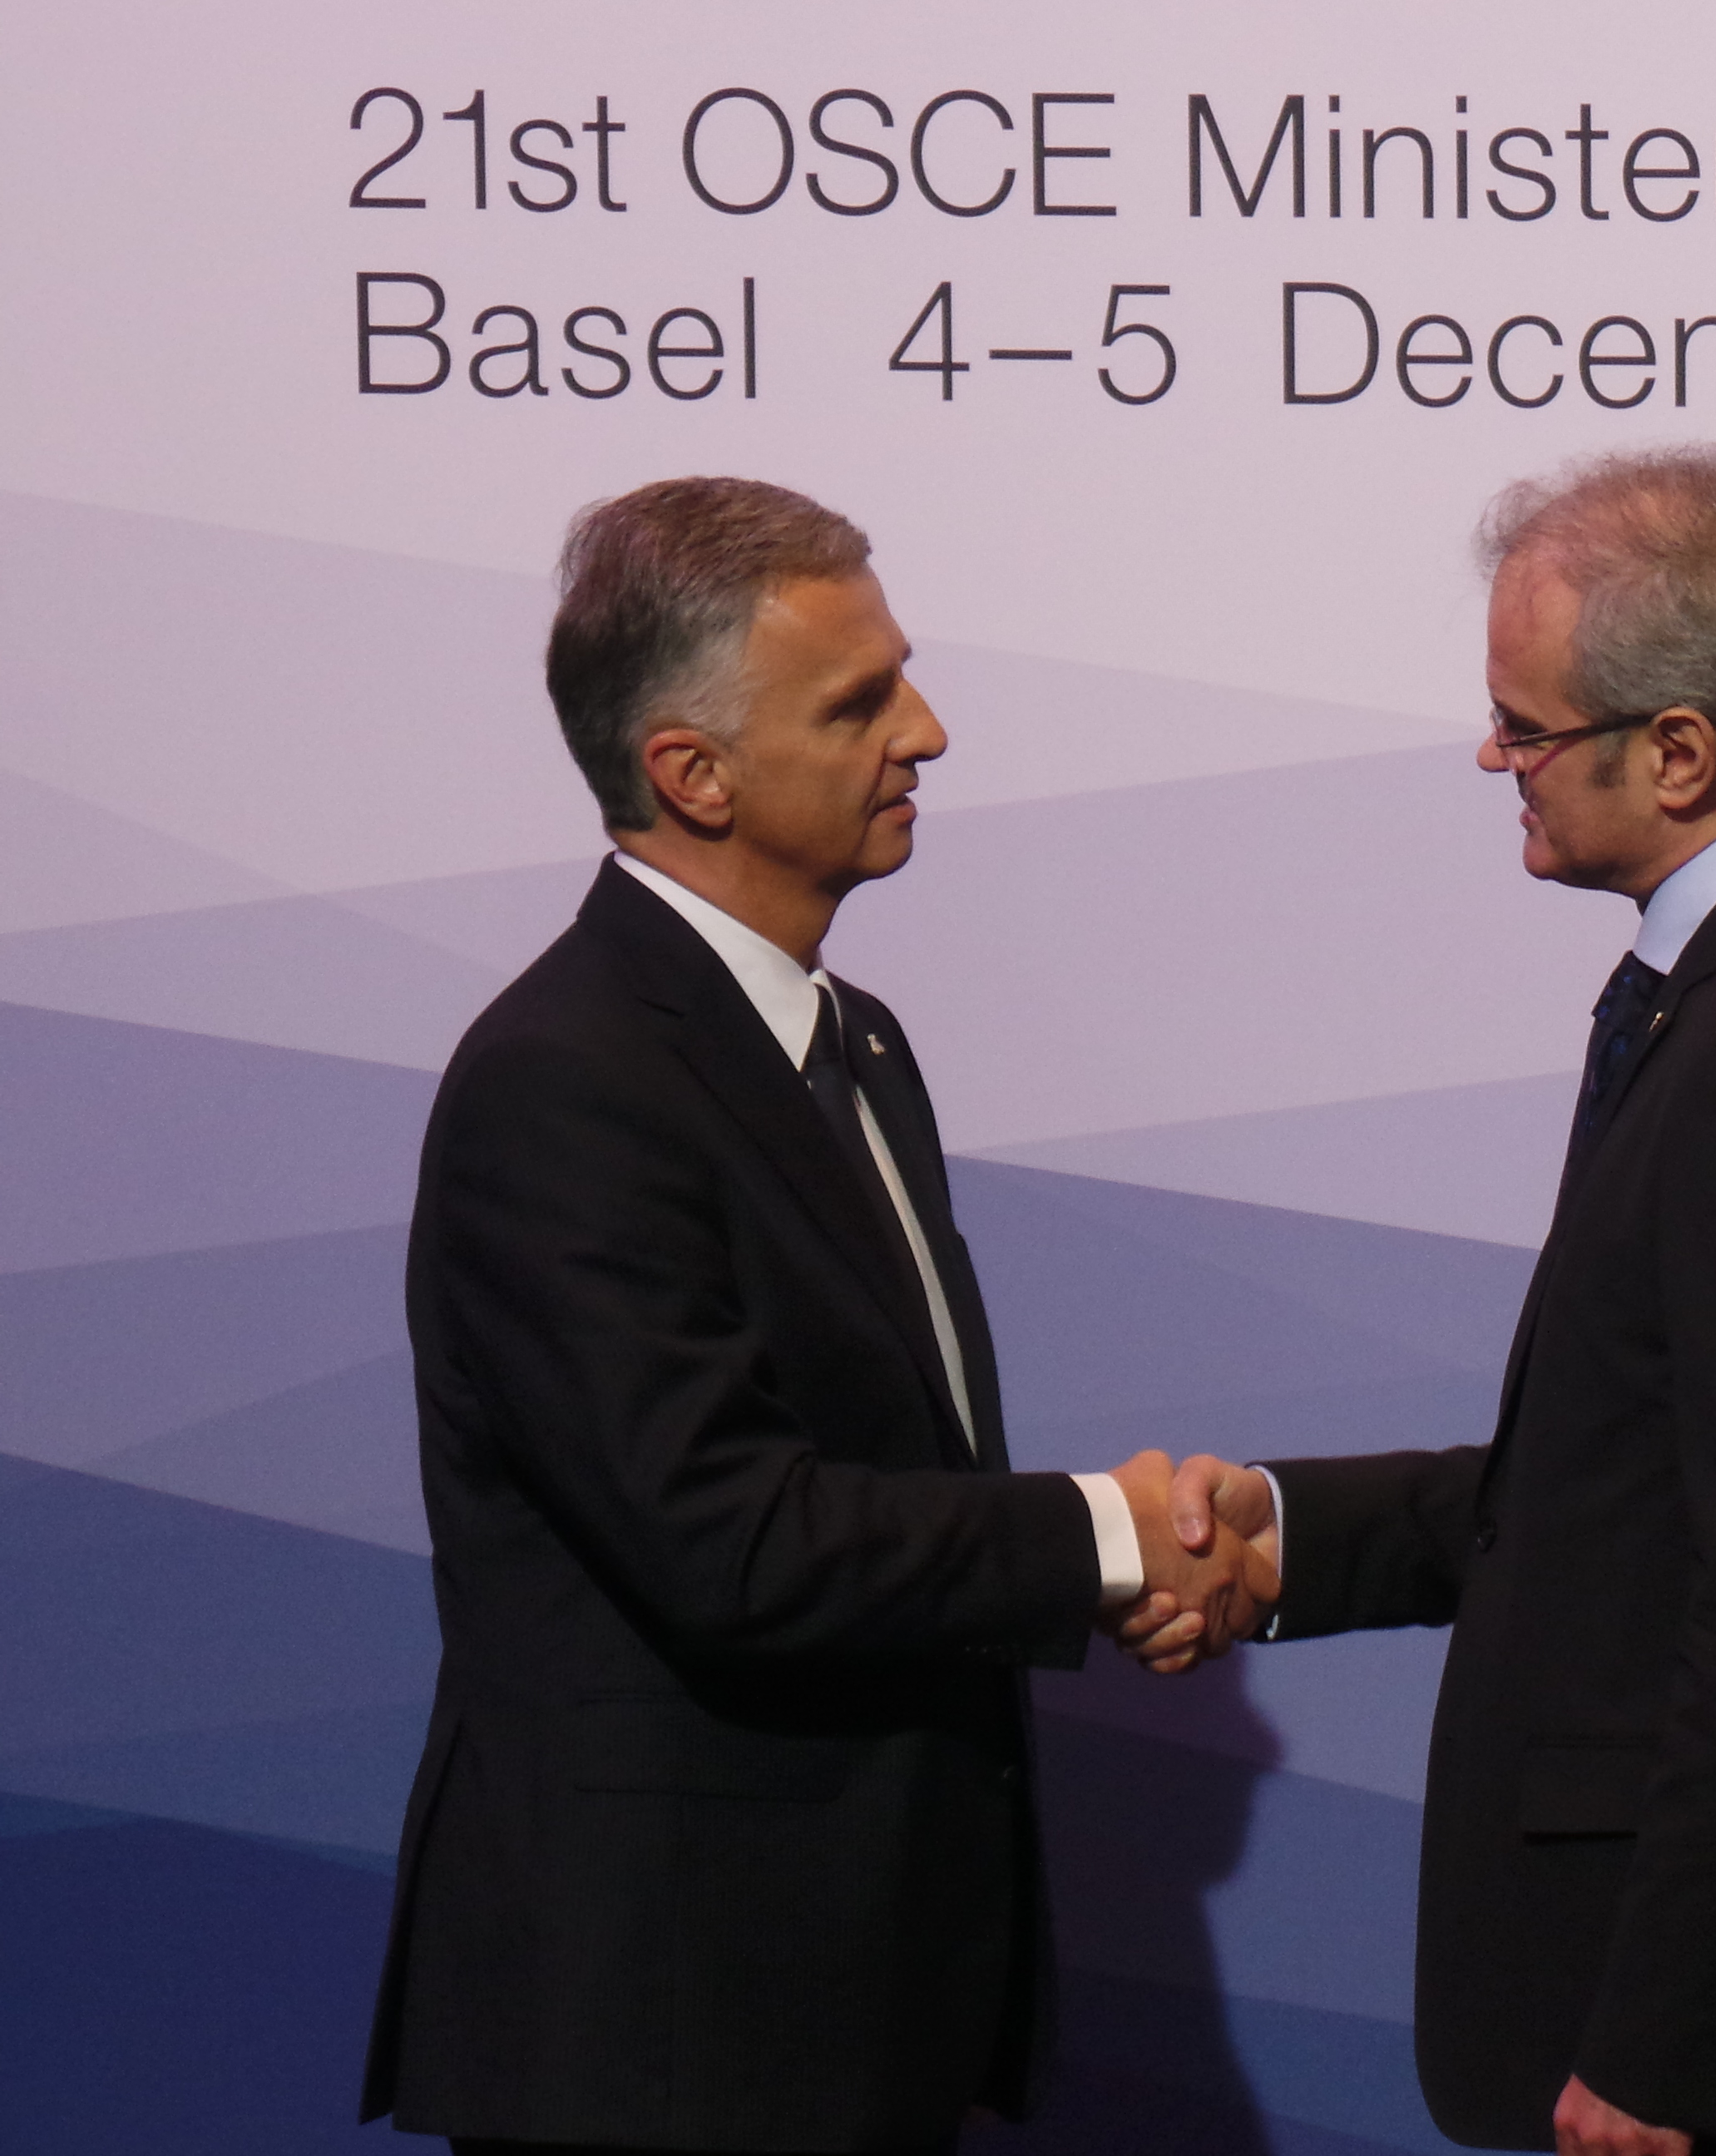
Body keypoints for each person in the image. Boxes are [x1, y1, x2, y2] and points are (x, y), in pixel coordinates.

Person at [1134, 448, 1716, 2155]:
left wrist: (1662, 2046)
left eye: (1528, 725)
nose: (1494, 757)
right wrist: (1283, 1536)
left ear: (1684, 751)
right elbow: (1629, 1490)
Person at [357, 477, 1273, 2155]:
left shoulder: (859, 1044)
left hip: (852, 2007)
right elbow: (730, 1540)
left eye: (901, 676)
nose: (924, 730)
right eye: (857, 703)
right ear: (689, 773)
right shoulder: (567, 1083)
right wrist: (1109, 1538)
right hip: (670, 2043)